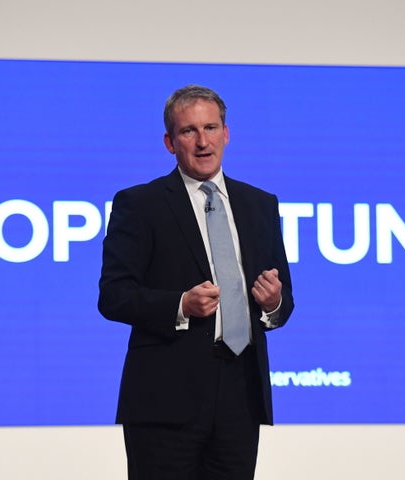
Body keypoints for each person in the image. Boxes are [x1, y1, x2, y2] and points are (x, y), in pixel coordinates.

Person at [98, 84, 294, 479]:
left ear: (227, 133)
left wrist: (273, 303)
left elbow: (283, 300)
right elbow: (114, 296)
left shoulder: (260, 204)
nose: (203, 141)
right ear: (170, 142)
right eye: (189, 131)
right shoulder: (140, 204)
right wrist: (179, 305)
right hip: (165, 400)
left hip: (241, 396)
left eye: (211, 127)